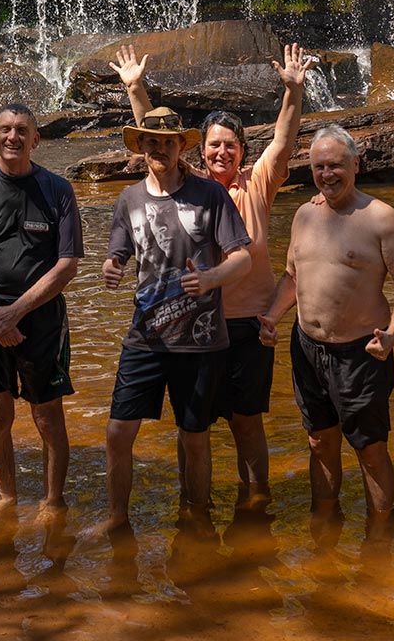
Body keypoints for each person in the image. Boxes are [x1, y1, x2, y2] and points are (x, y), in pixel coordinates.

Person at [110, 41, 310, 511]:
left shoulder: (257, 183)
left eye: (231, 145)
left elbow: (282, 139)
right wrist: (136, 88)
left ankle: (255, 497)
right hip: (191, 324)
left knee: (245, 419)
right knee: (193, 424)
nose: (222, 151)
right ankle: (191, 505)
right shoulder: (192, 188)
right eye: (214, 144)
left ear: (242, 151)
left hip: (243, 322)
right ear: (200, 151)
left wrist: (292, 93)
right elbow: (157, 140)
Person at [260, 125, 394, 539]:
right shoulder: (305, 214)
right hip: (308, 348)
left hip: (362, 353)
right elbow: (293, 276)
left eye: (336, 166)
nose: (328, 175)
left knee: (370, 449)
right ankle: (324, 530)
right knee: (319, 441)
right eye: (319, 167)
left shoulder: (380, 218)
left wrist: (393, 335)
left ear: (356, 165)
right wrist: (272, 317)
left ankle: (380, 537)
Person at [101, 106, 253, 530]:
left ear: (181, 146)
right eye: (152, 141)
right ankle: (117, 520)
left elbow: (242, 258)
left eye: (168, 141)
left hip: (200, 340)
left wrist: (209, 279)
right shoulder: (129, 198)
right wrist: (110, 268)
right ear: (141, 147)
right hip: (145, 337)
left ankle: (197, 518)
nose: (160, 148)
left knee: (195, 438)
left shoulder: (210, 195)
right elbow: (116, 256)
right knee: (117, 433)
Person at [0, 103, 83, 510]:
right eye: (5, 130)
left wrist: (17, 312)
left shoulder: (57, 189)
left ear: (35, 140)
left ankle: (52, 502)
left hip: (40, 321)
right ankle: (6, 499)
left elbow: (67, 265)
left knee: (47, 418)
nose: (13, 137)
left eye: (22, 130)